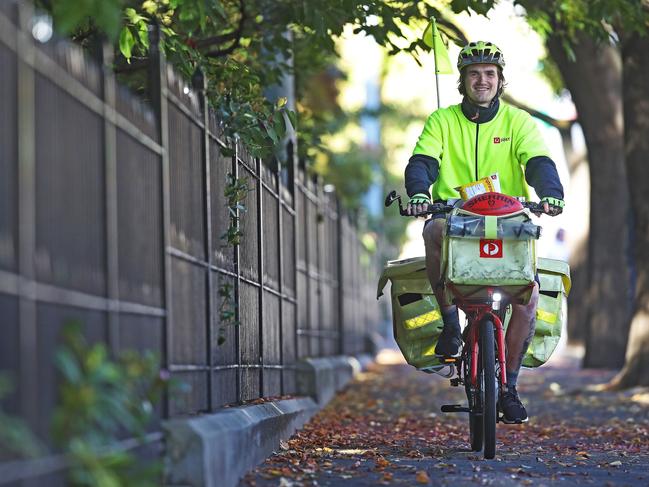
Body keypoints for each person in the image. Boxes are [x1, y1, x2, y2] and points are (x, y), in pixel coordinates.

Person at [404, 41, 564, 423]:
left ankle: (508, 388)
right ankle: (448, 324)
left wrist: (551, 195)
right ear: (462, 81)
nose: (482, 80)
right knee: (432, 231)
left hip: (508, 223)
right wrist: (421, 194)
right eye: (474, 74)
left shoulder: (518, 122)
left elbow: (539, 162)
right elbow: (422, 162)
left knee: (528, 300)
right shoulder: (442, 120)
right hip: (455, 220)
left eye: (489, 74)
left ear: (500, 80)